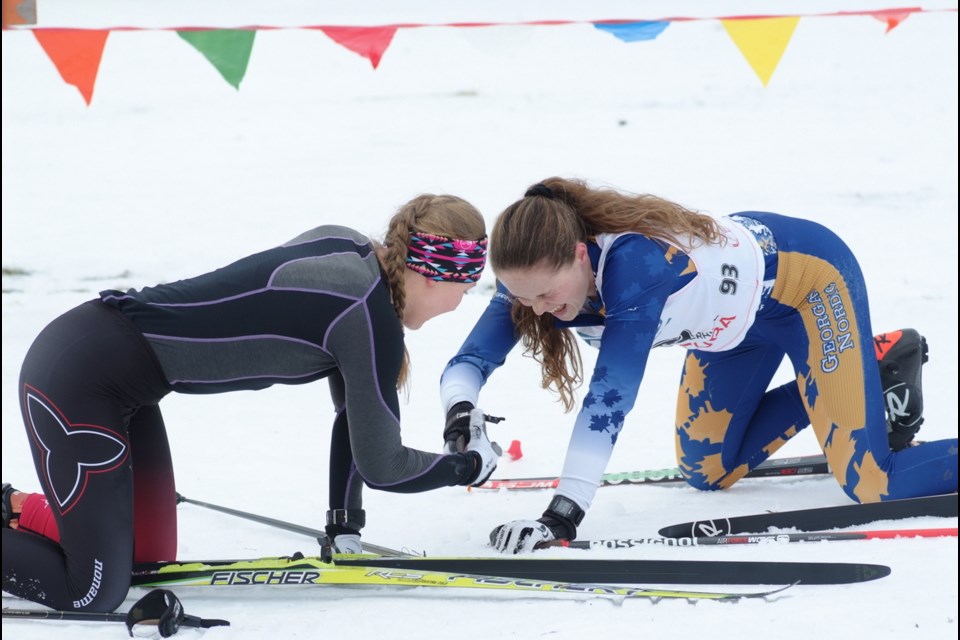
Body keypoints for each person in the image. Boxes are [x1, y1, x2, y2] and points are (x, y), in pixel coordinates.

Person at [1, 193, 502, 612]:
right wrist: (468, 465)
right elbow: (384, 466)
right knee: (91, 592)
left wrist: (343, 527)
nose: (461, 303)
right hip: (82, 377)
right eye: (465, 287)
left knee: (147, 560)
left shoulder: (352, 254)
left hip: (121, 378)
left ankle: (13, 508)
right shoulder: (365, 314)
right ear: (438, 276)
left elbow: (354, 416)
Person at [439, 177, 958, 554]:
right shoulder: (533, 283)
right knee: (707, 470)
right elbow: (469, 360)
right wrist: (460, 415)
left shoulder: (634, 268)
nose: (536, 309)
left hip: (806, 286)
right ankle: (873, 364)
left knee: (870, 482)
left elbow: (609, 399)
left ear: (579, 256)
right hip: (731, 330)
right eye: (520, 297)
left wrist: (562, 516)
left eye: (546, 294)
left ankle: (859, 366)